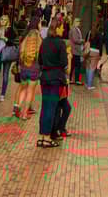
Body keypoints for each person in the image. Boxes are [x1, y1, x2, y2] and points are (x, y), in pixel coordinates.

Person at [37, 17, 72, 147]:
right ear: (58, 28)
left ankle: (42, 136)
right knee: (51, 108)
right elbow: (64, 63)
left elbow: (40, 60)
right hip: (55, 79)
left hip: (45, 78)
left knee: (45, 107)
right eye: (62, 27)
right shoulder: (60, 43)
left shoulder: (44, 42)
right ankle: (47, 138)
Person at [12, 28, 42, 119]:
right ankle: (25, 114)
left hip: (24, 71)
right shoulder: (39, 46)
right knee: (30, 92)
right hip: (34, 71)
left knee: (23, 90)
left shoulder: (23, 45)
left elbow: (18, 57)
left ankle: (18, 109)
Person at [68, 18, 85, 85]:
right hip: (75, 50)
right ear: (76, 22)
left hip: (75, 50)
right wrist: (82, 40)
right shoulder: (74, 30)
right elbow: (75, 40)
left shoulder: (75, 29)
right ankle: (76, 80)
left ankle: (71, 80)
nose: (80, 23)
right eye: (79, 22)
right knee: (77, 66)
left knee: (73, 65)